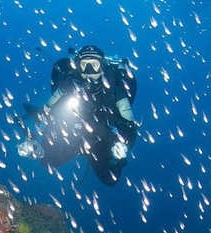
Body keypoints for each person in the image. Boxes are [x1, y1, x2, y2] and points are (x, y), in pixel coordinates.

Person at [17, 45, 138, 186]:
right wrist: (36, 144)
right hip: (72, 136)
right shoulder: (68, 86)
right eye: (84, 65)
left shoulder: (115, 92)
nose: (89, 71)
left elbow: (130, 128)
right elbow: (47, 112)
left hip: (100, 141)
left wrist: (121, 147)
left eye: (94, 65)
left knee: (111, 179)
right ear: (78, 66)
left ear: (103, 67)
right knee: (46, 161)